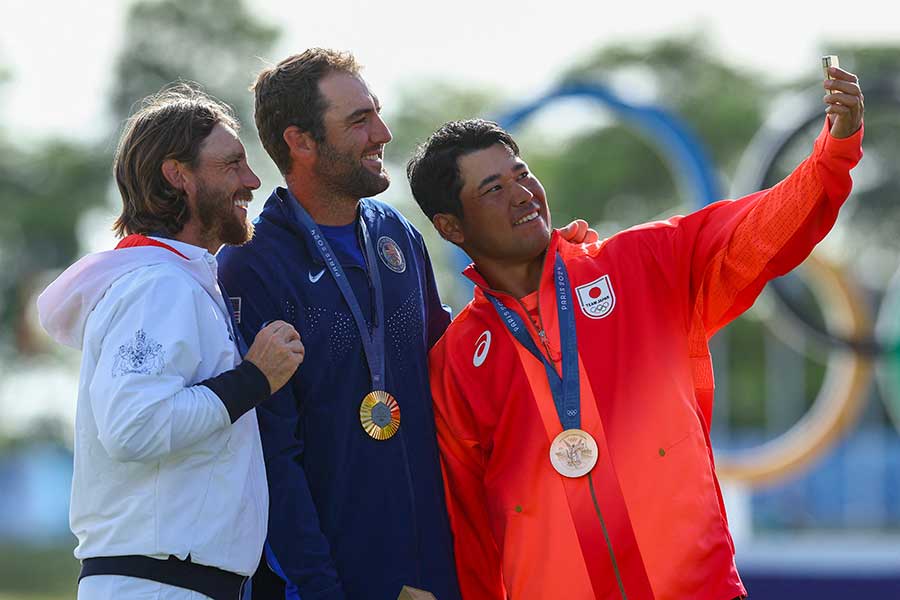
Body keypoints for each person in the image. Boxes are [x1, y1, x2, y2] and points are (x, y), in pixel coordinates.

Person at [406, 67, 864, 600]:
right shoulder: (459, 359)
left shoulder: (641, 263)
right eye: (493, 188)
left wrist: (834, 151)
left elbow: (761, 227)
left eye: (522, 173)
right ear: (451, 227)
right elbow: (467, 531)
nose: (522, 194)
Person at [218, 48, 596, 600]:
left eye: (376, 112)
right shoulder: (254, 263)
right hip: (332, 584)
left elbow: (456, 374)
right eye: (358, 121)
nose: (383, 133)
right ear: (300, 141)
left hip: (436, 572)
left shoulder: (396, 233)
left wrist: (549, 277)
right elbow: (271, 458)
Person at [37, 84, 305, 600]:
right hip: (160, 586)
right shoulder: (158, 285)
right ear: (178, 175)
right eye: (231, 164)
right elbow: (134, 427)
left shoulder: (168, 280)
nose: (252, 180)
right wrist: (254, 378)